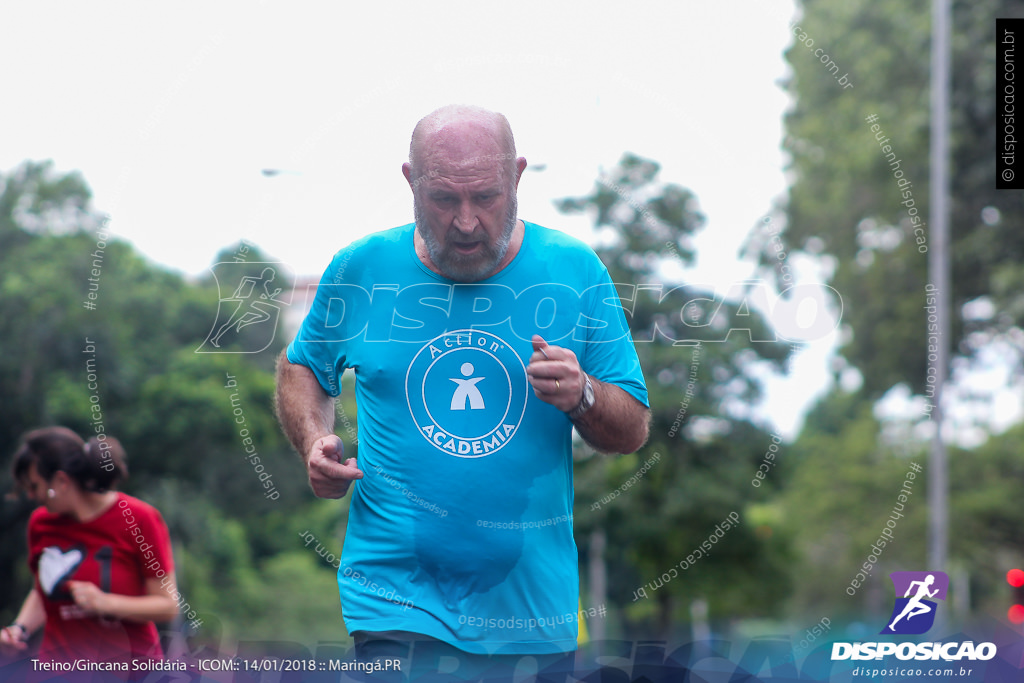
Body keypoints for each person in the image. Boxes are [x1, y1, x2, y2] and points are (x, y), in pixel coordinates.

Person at [275, 104, 650, 680]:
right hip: (395, 597)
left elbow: (632, 431)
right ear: (410, 182)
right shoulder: (361, 268)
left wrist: (583, 395)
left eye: (487, 197)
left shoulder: (574, 270)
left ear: (519, 177)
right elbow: (302, 367)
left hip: (531, 608)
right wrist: (314, 440)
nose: (468, 221)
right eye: (445, 200)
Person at [0, 427, 179, 671]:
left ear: (61, 480)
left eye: (35, 486)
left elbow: (167, 605)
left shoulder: (138, 518)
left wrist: (106, 603)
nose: (32, 496)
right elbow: (43, 590)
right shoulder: (40, 523)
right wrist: (19, 629)